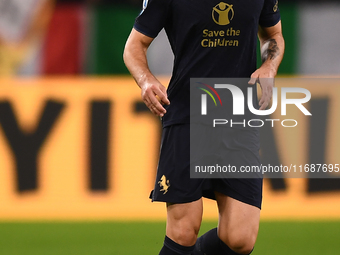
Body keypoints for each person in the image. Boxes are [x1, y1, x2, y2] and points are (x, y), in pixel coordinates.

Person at [123, 0, 284, 254]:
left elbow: (273, 35)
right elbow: (134, 46)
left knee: (240, 238)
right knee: (184, 230)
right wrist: (146, 81)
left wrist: (269, 66)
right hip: (188, 112)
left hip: (238, 116)